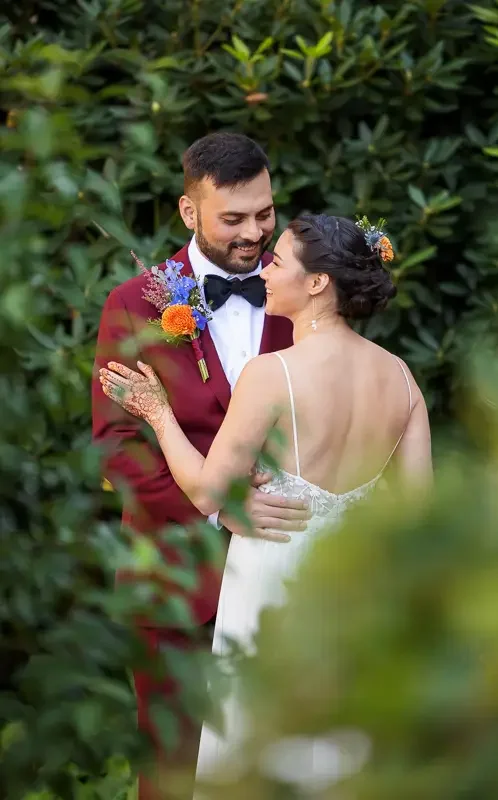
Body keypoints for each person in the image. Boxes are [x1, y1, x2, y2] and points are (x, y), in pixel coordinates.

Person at [99, 213, 433, 789]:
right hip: (348, 596)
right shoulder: (402, 380)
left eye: (278, 262)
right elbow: (419, 518)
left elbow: (206, 488)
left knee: (255, 758)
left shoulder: (272, 373)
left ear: (318, 284)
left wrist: (157, 412)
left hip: (270, 581)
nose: (265, 269)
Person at [91, 132, 305, 799]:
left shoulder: (302, 295)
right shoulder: (136, 304)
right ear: (189, 212)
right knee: (174, 771)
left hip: (288, 579)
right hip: (178, 583)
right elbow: (119, 451)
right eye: (233, 219)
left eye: (265, 213)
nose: (254, 233)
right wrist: (221, 504)